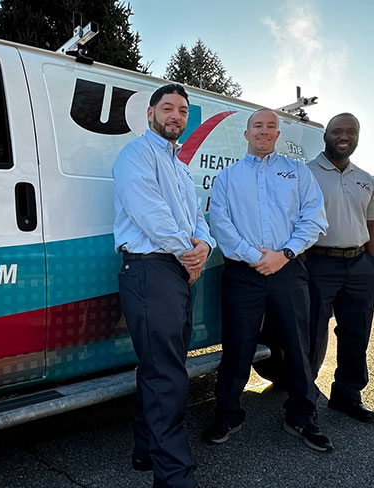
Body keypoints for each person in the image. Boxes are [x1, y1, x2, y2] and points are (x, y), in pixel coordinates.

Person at [206, 108, 333, 452]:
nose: (264, 131)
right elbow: (220, 222)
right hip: (243, 274)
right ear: (246, 134)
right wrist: (254, 257)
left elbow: (314, 219)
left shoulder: (297, 173)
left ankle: (303, 417)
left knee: (297, 346)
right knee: (237, 347)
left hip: (288, 270)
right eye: (257, 126)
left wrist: (284, 254)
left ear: (278, 135)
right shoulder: (228, 178)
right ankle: (227, 415)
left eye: (270, 127)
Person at [113, 83, 215, 488]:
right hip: (149, 271)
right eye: (168, 108)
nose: (176, 116)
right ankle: (175, 477)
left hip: (173, 272)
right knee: (167, 375)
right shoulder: (135, 156)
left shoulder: (179, 166)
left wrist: (204, 245)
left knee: (160, 368)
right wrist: (187, 254)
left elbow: (197, 219)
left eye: (183, 111)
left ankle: (145, 450)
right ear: (150, 113)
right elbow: (151, 216)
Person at [306, 113, 374, 422]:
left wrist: (373, 263)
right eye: (338, 131)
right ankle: (303, 397)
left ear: (358, 137)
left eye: (351, 132)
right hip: (318, 262)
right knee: (310, 332)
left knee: (356, 331)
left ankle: (347, 394)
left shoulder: (365, 178)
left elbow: (373, 224)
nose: (344, 136)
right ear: (326, 135)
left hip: (359, 264)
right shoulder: (306, 173)